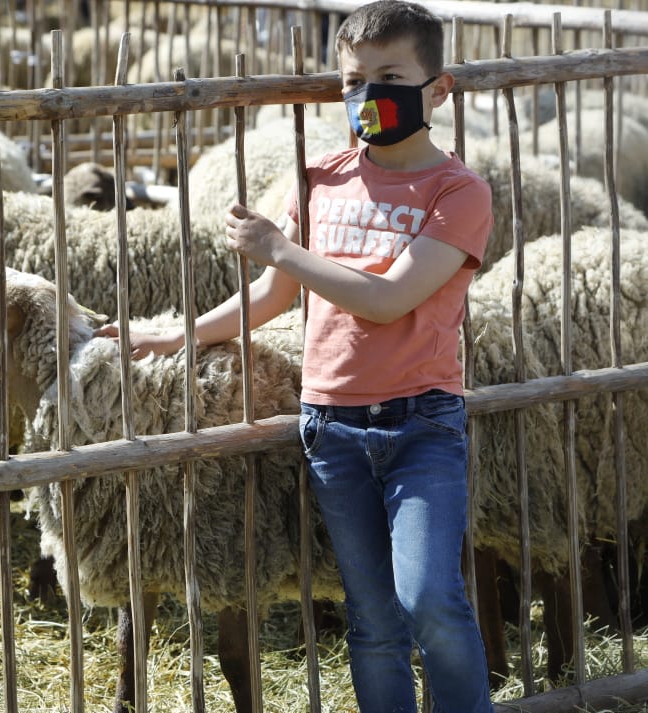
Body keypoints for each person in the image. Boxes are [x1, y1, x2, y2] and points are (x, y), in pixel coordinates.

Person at [96, 1, 494, 711]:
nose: (368, 95)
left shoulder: (457, 192)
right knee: (370, 619)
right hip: (332, 427)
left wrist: (281, 246)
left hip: (420, 424)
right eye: (352, 79)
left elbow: (386, 299)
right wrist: (177, 333)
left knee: (429, 597)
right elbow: (272, 294)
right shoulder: (317, 179)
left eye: (389, 76)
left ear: (438, 87)